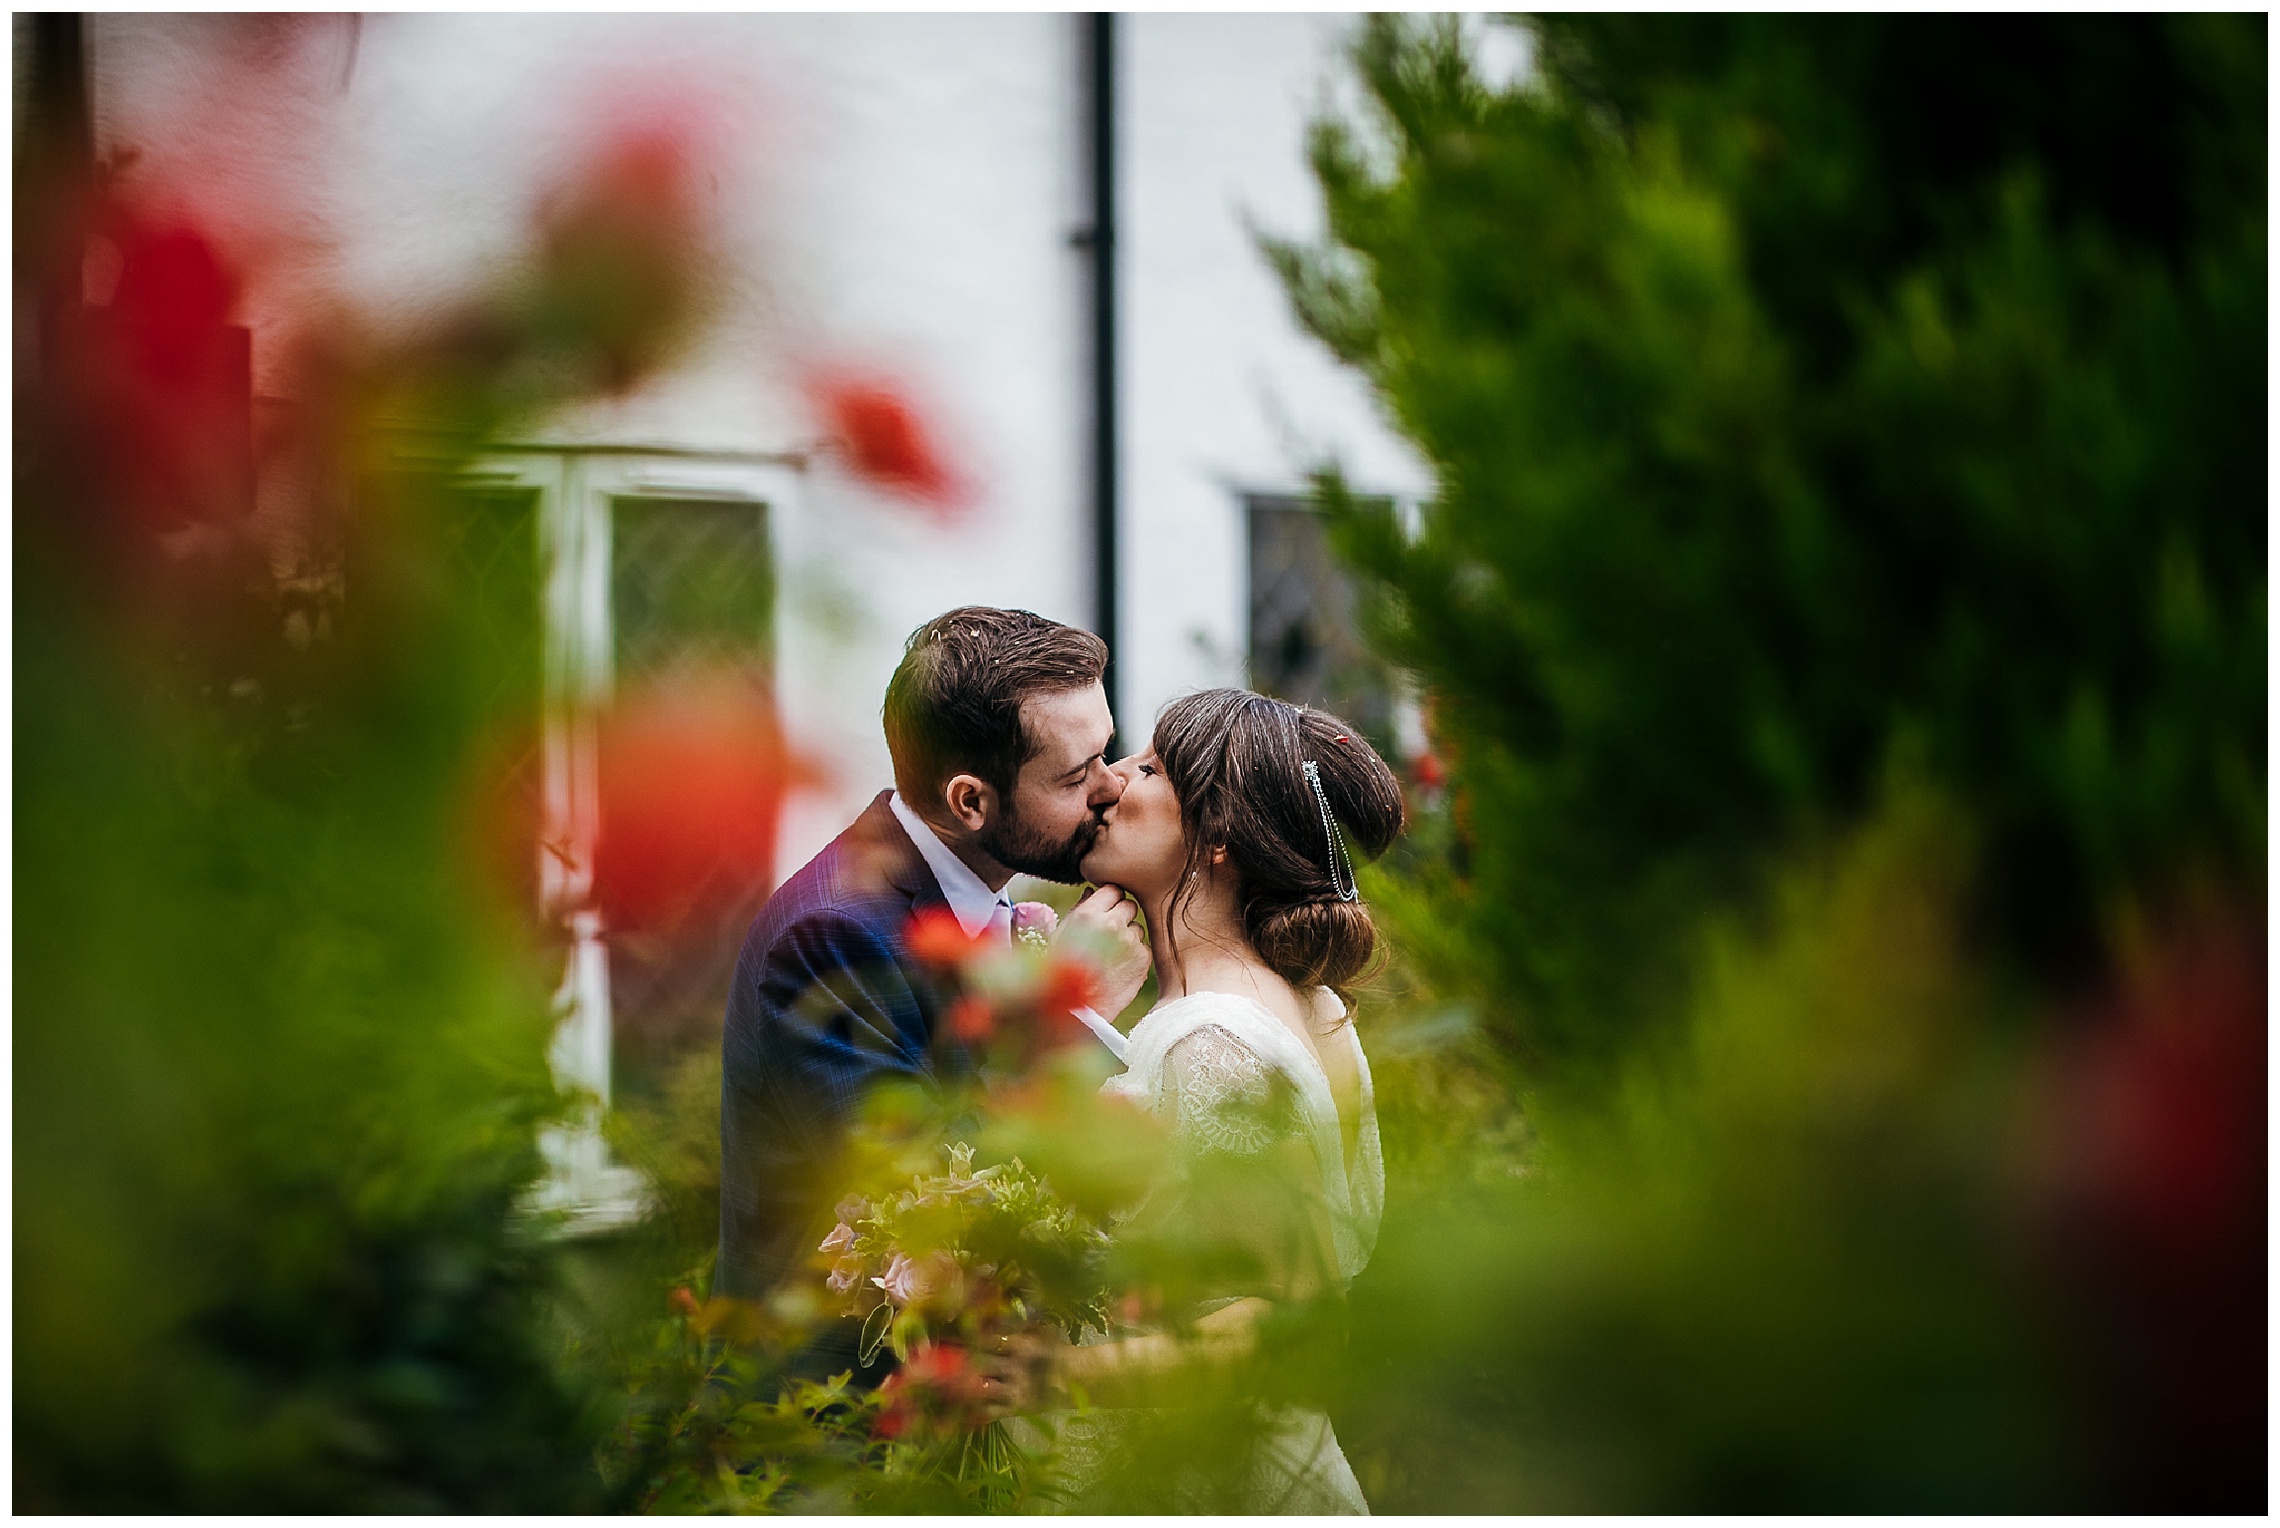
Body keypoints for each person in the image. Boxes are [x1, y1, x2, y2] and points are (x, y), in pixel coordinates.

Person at [717, 607, 1152, 1371]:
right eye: (1076, 773)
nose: (1111, 786)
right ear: (971, 803)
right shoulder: (836, 936)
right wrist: (1070, 1008)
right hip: (838, 1435)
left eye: (1107, 753)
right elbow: (927, 1206)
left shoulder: (975, 900)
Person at [1009, 687, 1406, 1514]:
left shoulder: (1212, 1042)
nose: (1112, 780)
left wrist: (1048, 1374)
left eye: (1150, 767)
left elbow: (1285, 1324)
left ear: (1217, 838)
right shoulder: (1305, 1001)